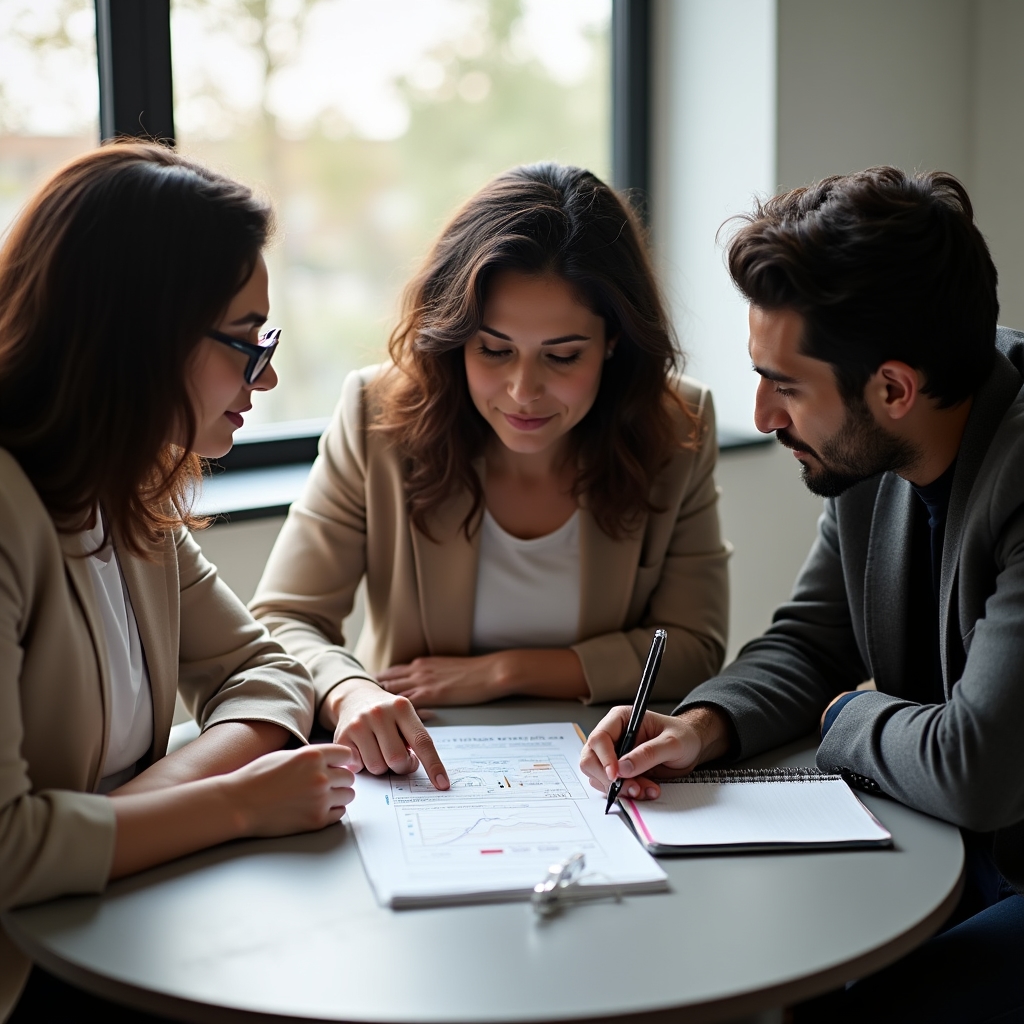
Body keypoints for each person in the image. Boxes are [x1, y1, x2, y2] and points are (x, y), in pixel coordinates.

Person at [580, 166, 1024, 1021]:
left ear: (893, 388)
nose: (761, 414)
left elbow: (978, 767)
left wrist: (841, 718)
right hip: (951, 850)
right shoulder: (871, 449)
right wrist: (700, 727)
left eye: (785, 385)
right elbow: (811, 643)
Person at [0, 143, 355, 1022]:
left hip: (121, 915)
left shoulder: (125, 495)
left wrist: (138, 807)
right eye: (245, 342)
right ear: (141, 331)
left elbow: (269, 673)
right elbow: (8, 851)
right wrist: (235, 802)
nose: (265, 376)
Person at [250, 163, 730, 783]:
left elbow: (694, 645)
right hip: (413, 766)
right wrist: (348, 691)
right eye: (494, 350)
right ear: (455, 339)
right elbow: (283, 618)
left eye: (563, 356)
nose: (523, 391)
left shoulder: (676, 427)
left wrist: (505, 671)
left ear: (613, 341)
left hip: (596, 770)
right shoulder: (378, 414)